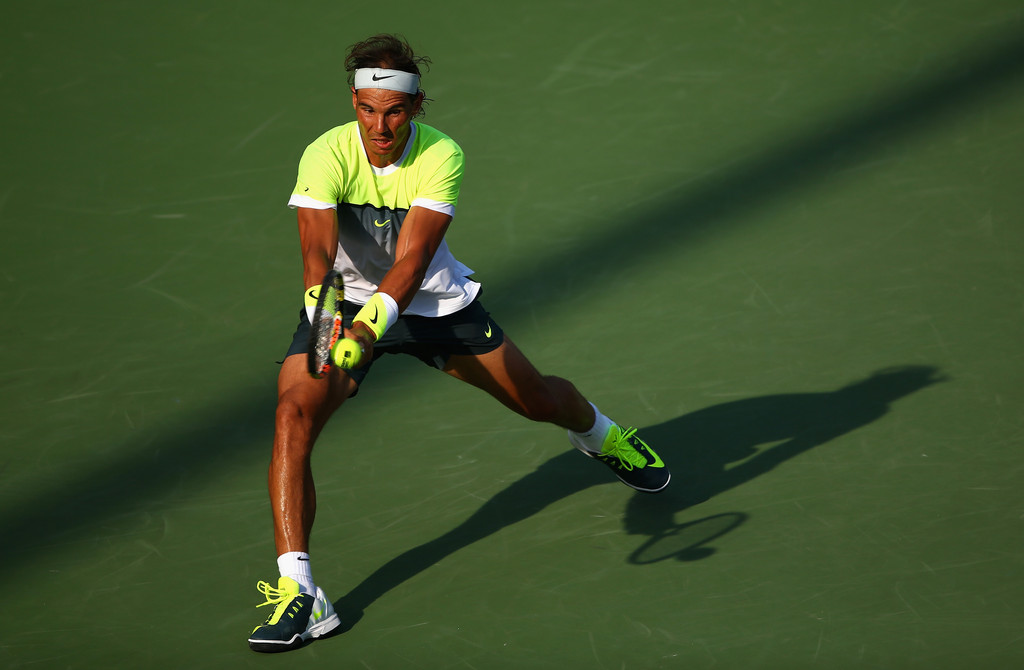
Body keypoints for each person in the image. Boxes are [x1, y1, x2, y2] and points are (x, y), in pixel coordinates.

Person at [247, 33, 670, 653]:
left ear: (415, 109)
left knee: (537, 401)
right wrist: (328, 317)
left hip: (434, 304)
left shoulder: (442, 154)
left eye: (393, 112)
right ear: (354, 102)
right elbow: (316, 254)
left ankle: (599, 433)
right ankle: (302, 592)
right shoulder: (324, 154)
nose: (379, 125)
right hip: (342, 308)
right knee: (292, 414)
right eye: (367, 108)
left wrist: (371, 327)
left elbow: (413, 258)